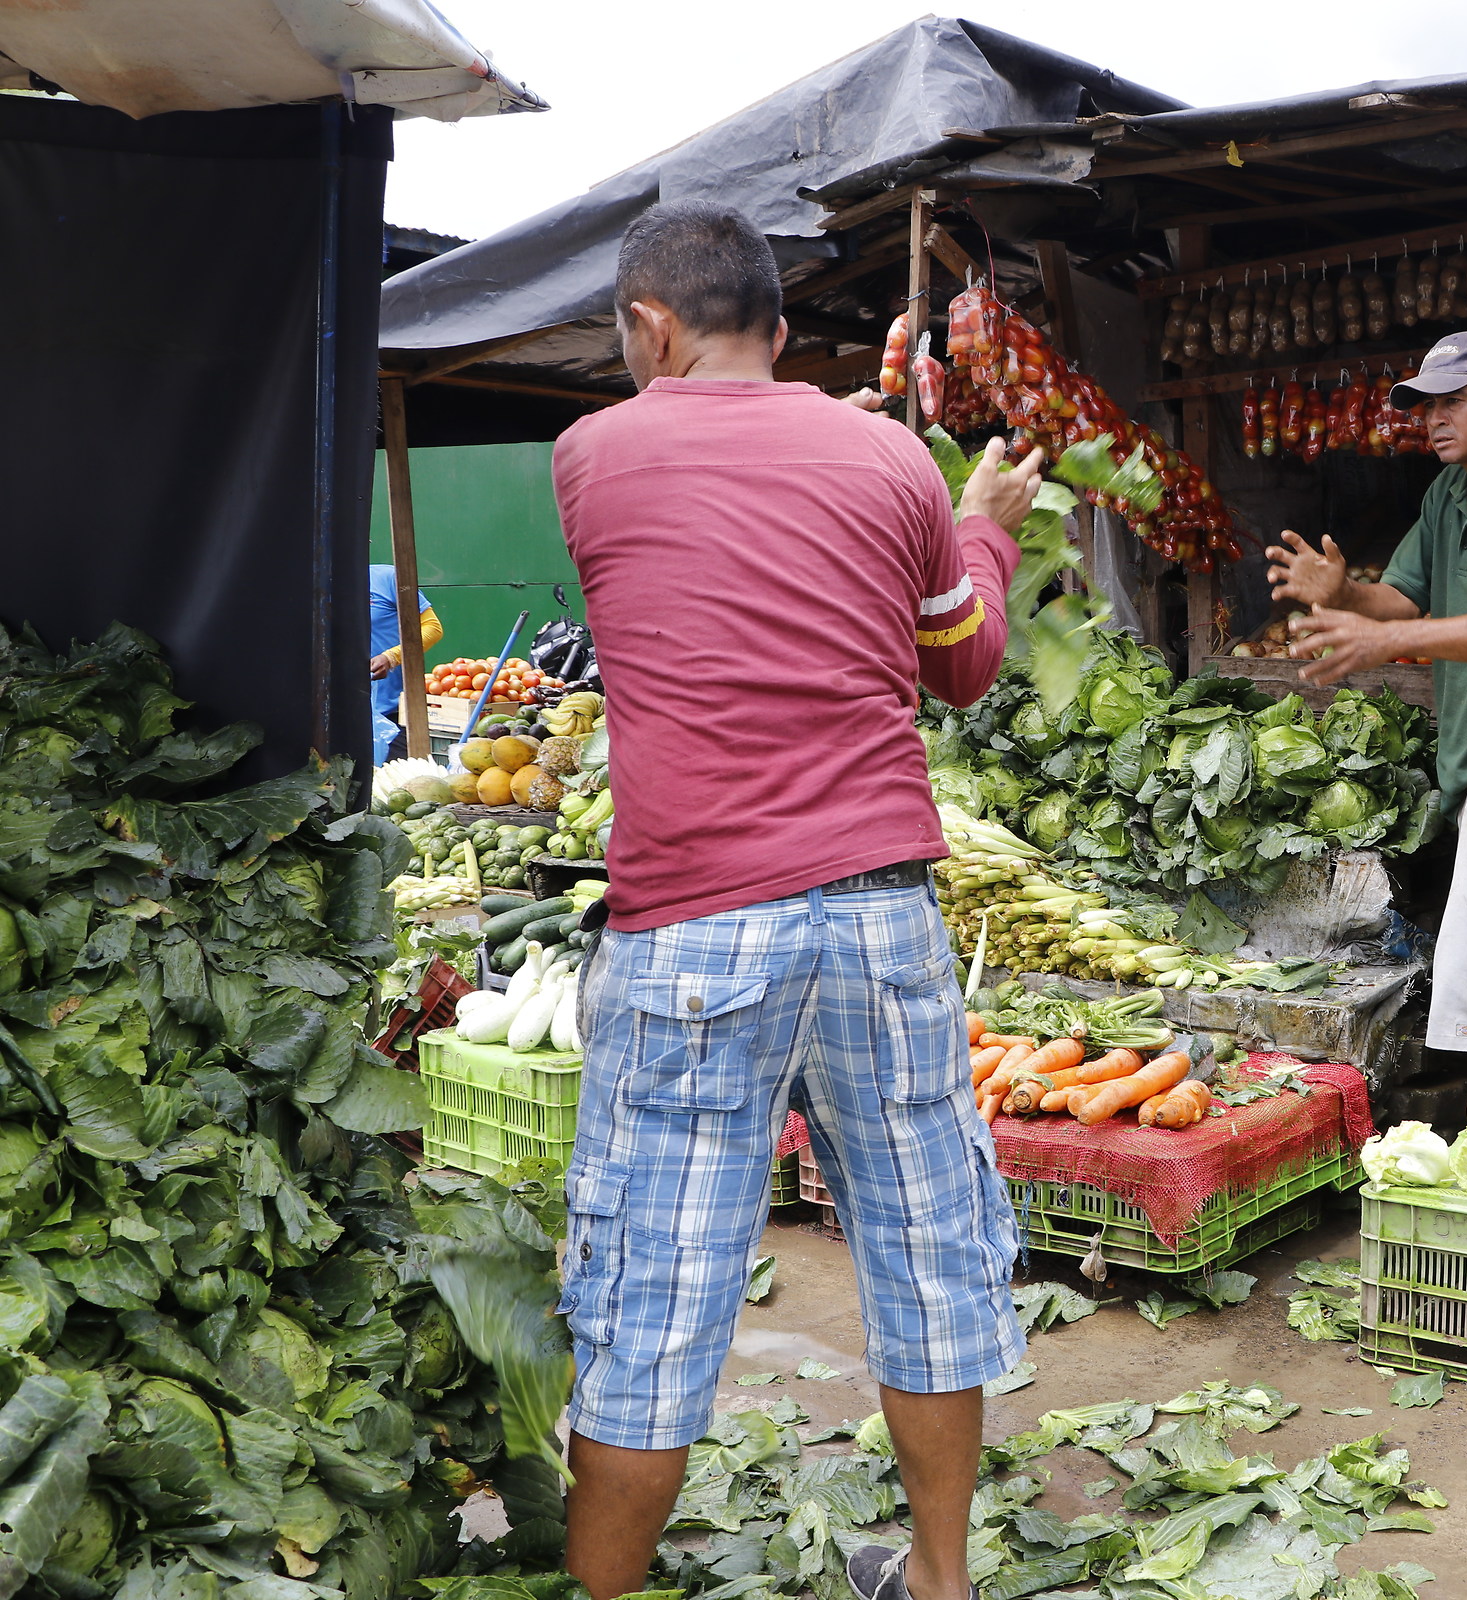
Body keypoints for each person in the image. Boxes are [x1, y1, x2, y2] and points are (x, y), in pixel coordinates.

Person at [550, 200, 1044, 1600]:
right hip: (882, 918)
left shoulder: (592, 456)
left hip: (695, 928)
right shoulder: (888, 460)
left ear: (650, 326)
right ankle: (943, 1582)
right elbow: (959, 663)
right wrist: (983, 533)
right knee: (927, 1255)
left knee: (655, 1289)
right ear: (778, 329)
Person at [1267, 332, 1467, 1063]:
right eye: (1426, 406)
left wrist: (1385, 643)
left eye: (1453, 401)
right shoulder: (1449, 492)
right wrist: (1345, 592)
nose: (1434, 419)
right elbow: (1399, 596)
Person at [366, 564, 441, 760]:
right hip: (340, 712)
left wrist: (391, 657)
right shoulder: (318, 589)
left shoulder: (387, 578)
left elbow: (432, 628)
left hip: (395, 713)